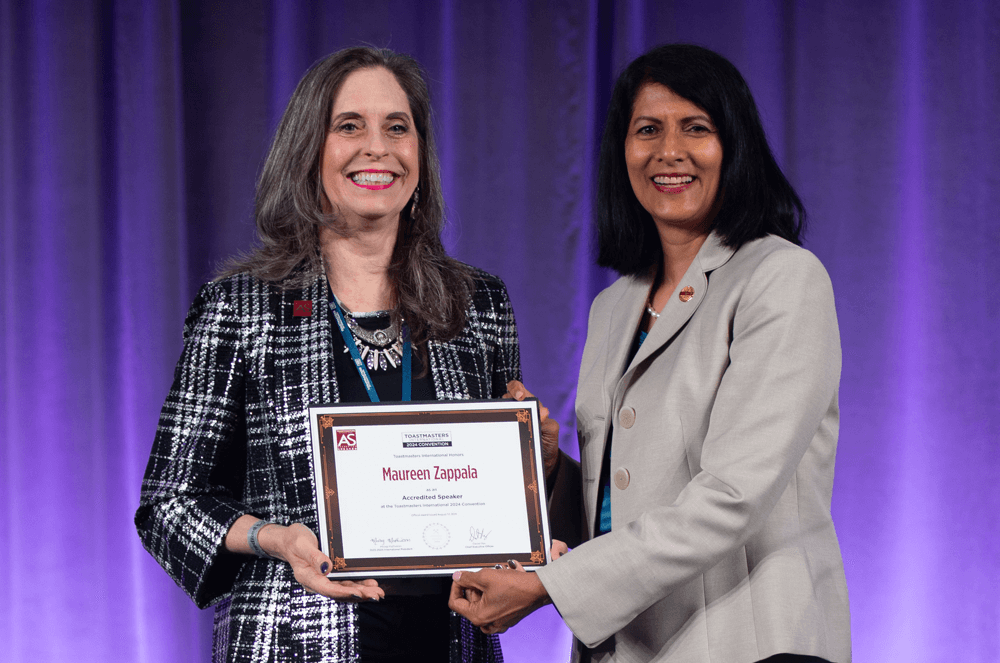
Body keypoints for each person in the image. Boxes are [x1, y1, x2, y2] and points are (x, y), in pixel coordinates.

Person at [449, 44, 851, 663]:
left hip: (752, 643)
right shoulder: (615, 307)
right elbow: (620, 505)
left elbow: (732, 495)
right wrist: (552, 469)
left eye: (697, 128)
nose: (669, 152)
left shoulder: (782, 278)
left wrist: (548, 587)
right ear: (623, 153)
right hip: (626, 647)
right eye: (647, 131)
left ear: (734, 146)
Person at [135, 47, 519, 663]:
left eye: (398, 127)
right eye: (349, 126)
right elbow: (170, 504)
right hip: (293, 641)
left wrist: (534, 462)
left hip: (448, 643)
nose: (378, 147)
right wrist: (275, 539)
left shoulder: (477, 304)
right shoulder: (241, 307)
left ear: (420, 153)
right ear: (309, 151)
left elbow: (502, 508)